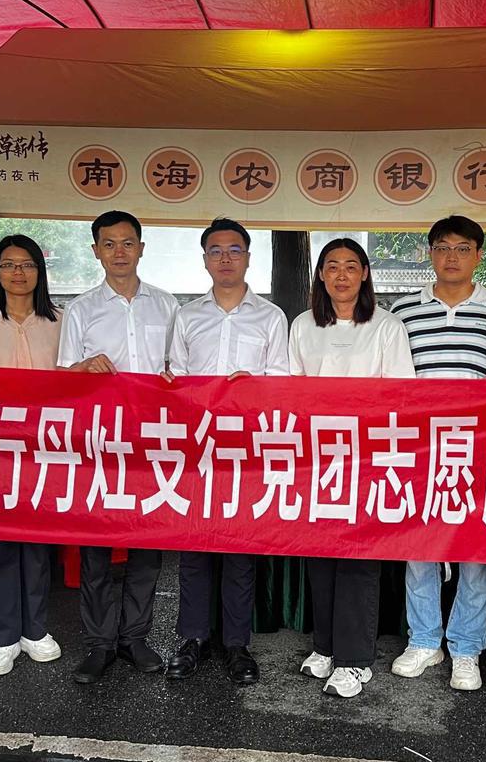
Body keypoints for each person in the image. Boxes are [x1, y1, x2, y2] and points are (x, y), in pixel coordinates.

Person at [162, 218, 289, 686]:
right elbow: (175, 377)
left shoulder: (271, 317)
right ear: (205, 260)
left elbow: (283, 382)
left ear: (248, 258)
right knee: (194, 548)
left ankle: (237, 644)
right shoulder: (187, 316)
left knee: (240, 549)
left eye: (235, 250)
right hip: (196, 448)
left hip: (247, 449)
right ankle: (192, 639)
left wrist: (256, 387)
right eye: (215, 251)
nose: (225, 259)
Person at [389, 215, 486, 691]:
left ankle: (466, 648)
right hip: (419, 446)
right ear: (430, 253)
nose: (452, 257)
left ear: (478, 255)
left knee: (474, 551)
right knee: (418, 547)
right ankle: (424, 640)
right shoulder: (403, 310)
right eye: (443, 247)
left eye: (463, 248)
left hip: (479, 449)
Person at [290, 237, 415, 698]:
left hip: (368, 458)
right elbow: (291, 389)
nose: (341, 275)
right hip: (318, 458)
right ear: (320, 275)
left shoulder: (387, 326)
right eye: (332, 266)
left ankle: (355, 661)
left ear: (364, 274)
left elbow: (401, 395)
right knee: (321, 556)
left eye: (350, 266)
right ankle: (325, 646)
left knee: (359, 560)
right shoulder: (303, 324)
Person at [58, 210, 179, 684]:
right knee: (96, 548)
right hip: (99, 442)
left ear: (142, 248)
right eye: (109, 244)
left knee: (147, 545)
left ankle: (135, 637)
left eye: (128, 243)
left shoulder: (167, 306)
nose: (119, 252)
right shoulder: (81, 310)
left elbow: (181, 371)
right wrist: (83, 369)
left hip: (152, 442)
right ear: (95, 251)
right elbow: (62, 378)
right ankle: (99, 643)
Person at [0, 235, 63, 677]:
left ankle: (35, 629)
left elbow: (71, 384)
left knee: (38, 545)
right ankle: (2, 636)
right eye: (7, 264)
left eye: (27, 264)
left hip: (45, 451)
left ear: (40, 271)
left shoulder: (61, 322)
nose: (17, 273)